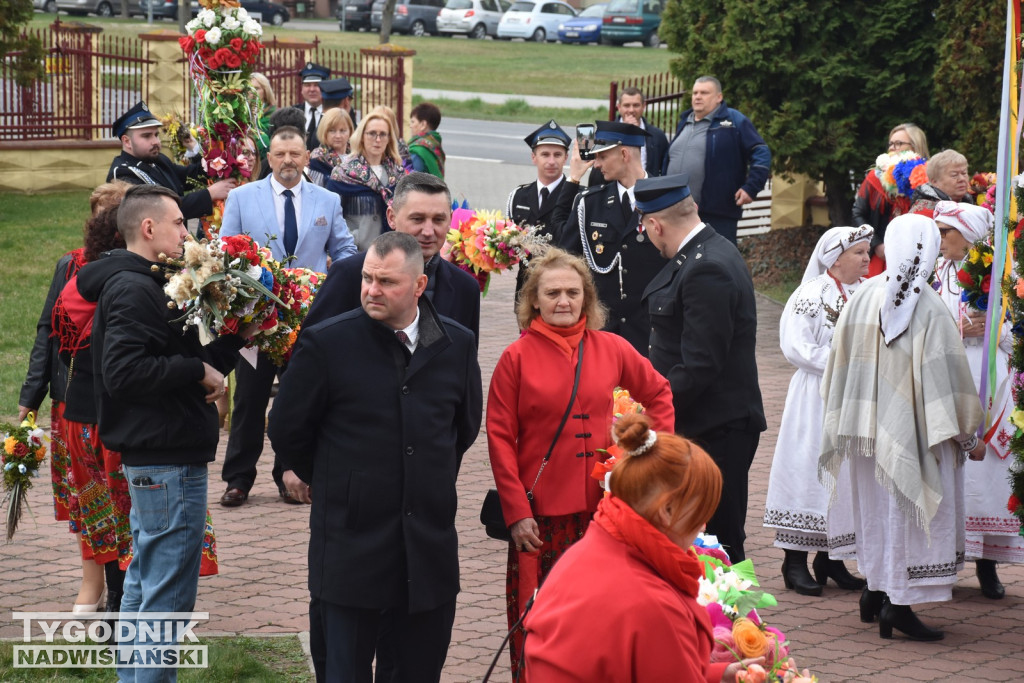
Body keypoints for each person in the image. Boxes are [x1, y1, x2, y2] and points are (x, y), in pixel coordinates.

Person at [268, 231, 482, 683]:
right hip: (351, 547)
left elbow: (462, 429)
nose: (371, 290)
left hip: (427, 547)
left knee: (417, 670)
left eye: (386, 282)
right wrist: (335, 480)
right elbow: (288, 427)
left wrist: (425, 475)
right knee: (343, 671)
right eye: (367, 278)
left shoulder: (455, 344)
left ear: (419, 287)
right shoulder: (327, 343)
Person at [79, 185, 251, 678]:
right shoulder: (133, 288)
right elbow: (126, 373)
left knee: (144, 585)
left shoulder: (149, 282)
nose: (187, 230)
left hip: (161, 454)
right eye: (179, 222)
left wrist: (237, 341)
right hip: (165, 459)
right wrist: (197, 373)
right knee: (168, 597)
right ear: (148, 228)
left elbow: (179, 364)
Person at [487, 248, 674, 678]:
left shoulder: (611, 347)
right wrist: (517, 513)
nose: (564, 301)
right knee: (541, 618)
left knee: (603, 616)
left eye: (573, 292)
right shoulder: (515, 359)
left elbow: (659, 394)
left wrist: (647, 453)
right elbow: (499, 439)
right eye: (552, 293)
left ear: (586, 297)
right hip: (541, 520)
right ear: (534, 299)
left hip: (604, 513)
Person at [819, 213, 986, 641]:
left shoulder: (864, 295)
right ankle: (899, 603)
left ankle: (875, 593)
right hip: (912, 438)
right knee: (902, 520)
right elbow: (947, 387)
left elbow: (836, 370)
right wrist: (970, 437)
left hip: (865, 434)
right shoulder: (929, 307)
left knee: (877, 514)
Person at [523, 414, 754, 683]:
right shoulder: (655, 605)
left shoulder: (591, 549)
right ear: (667, 511)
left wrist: (719, 675)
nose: (702, 527)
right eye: (699, 513)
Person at [217, 125, 357, 508]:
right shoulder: (244, 198)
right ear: (270, 158)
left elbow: (343, 249)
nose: (288, 161)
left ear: (307, 157)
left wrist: (335, 289)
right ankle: (238, 479)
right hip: (255, 321)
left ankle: (289, 474)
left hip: (307, 319)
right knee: (249, 399)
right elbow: (226, 250)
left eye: (295, 154)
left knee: (299, 399)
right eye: (280, 155)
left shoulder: (326, 200)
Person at [636, 174, 766, 563]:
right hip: (708, 424)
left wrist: (648, 411)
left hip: (717, 430)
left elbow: (699, 365)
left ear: (655, 225)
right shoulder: (705, 253)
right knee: (702, 541)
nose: (648, 237)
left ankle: (739, 621)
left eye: (646, 229)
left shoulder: (706, 267)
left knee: (722, 545)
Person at [18, 181, 130, 614]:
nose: (108, 220)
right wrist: (32, 395)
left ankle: (123, 585)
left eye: (117, 211)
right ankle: (93, 580)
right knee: (87, 497)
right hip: (72, 401)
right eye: (103, 212)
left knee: (119, 492)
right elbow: (47, 329)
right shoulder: (71, 266)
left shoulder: (142, 266)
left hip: (118, 403)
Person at [763, 226, 873, 597]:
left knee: (844, 473)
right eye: (858, 252)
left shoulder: (868, 291)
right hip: (817, 394)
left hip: (855, 397)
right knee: (808, 467)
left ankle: (832, 558)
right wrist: (848, 363)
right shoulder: (809, 295)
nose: (866, 257)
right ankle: (793, 560)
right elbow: (797, 347)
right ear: (836, 258)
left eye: (866, 251)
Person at [932, 200, 1024, 599]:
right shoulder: (933, 273)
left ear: (967, 235)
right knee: (950, 465)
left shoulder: (1003, 274)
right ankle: (943, 563)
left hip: (990, 378)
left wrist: (989, 330)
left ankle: (987, 565)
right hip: (948, 375)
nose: (939, 241)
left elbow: (1016, 333)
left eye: (945, 233)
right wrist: (956, 327)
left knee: (986, 472)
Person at [304, 172, 479, 339]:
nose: (428, 231)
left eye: (438, 220)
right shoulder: (349, 274)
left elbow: (464, 364)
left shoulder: (465, 288)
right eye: (417, 219)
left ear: (450, 220)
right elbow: (310, 350)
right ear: (391, 217)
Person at [554, 120, 665, 356]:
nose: (597, 165)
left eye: (603, 157)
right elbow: (566, 257)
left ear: (624, 154)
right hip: (603, 332)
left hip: (651, 333)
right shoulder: (590, 203)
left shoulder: (665, 199)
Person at [664, 76, 771, 244]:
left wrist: (751, 187)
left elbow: (761, 152)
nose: (698, 97)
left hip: (717, 214)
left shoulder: (734, 121)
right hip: (677, 212)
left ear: (718, 97)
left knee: (717, 264)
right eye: (695, 93)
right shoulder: (685, 122)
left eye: (704, 93)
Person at [107, 101, 236, 222]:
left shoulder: (157, 160)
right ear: (127, 141)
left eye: (156, 135)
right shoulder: (122, 173)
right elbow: (160, 210)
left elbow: (190, 176)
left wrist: (197, 150)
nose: (156, 142)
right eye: (146, 136)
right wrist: (210, 194)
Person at [851, 123, 929, 277]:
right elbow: (858, 213)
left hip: (919, 257)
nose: (893, 148)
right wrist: (877, 244)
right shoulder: (875, 177)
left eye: (899, 143)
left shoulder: (928, 177)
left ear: (915, 146)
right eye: (891, 144)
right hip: (881, 257)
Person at [506, 120, 571, 306]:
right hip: (526, 290)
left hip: (561, 290)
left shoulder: (577, 196)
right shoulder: (518, 196)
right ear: (534, 157)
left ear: (566, 158)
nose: (551, 161)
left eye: (557, 155)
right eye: (545, 154)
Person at [326, 108, 407, 252]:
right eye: (372, 134)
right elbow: (330, 215)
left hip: (392, 252)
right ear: (362, 136)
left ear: (389, 139)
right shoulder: (343, 172)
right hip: (354, 252)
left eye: (383, 134)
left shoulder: (398, 173)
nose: (377, 140)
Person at [588, 86, 669, 186]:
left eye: (636, 105)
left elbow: (665, 169)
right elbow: (596, 168)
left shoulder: (657, 135)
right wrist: (623, 130)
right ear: (619, 107)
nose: (631, 110)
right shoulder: (606, 134)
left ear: (644, 106)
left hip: (648, 189)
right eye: (627, 105)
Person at [906, 149, 971, 217]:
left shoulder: (973, 203)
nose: (962, 179)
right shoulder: (922, 214)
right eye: (954, 175)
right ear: (934, 181)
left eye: (964, 173)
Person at [307, 107, 355, 187]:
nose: (338, 136)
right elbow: (314, 192)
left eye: (342, 131)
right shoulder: (318, 158)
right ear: (324, 131)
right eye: (332, 131)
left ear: (350, 131)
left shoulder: (357, 154)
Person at [293, 62, 330, 152]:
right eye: (307, 85)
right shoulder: (293, 113)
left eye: (317, 85)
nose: (312, 89)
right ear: (302, 89)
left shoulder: (331, 114)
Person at [407, 102, 445, 178]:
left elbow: (409, 179)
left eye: (413, 122)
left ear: (423, 125)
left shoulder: (418, 151)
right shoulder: (435, 145)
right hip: (437, 189)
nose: (410, 126)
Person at [250, 72, 278, 157]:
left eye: (257, 88)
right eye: (249, 88)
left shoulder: (275, 115)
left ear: (265, 91)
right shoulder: (240, 115)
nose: (252, 92)